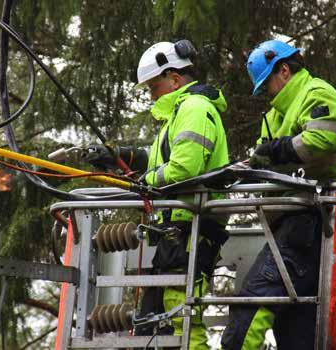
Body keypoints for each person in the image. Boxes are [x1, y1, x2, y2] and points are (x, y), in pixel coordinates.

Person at [87, 39, 229, 349]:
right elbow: (161, 157)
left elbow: (184, 168)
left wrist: (142, 183)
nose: (151, 95)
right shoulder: (180, 113)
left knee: (183, 322)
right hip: (175, 233)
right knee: (157, 325)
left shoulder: (194, 107)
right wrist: (122, 156)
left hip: (189, 231)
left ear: (174, 78)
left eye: (153, 86)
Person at [221, 39, 336, 349]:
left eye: (267, 84)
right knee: (295, 332)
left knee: (249, 310)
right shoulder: (273, 117)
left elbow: (321, 138)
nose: (266, 93)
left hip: (316, 219)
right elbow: (266, 161)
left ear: (284, 70)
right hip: (295, 223)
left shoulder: (317, 92)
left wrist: (277, 149)